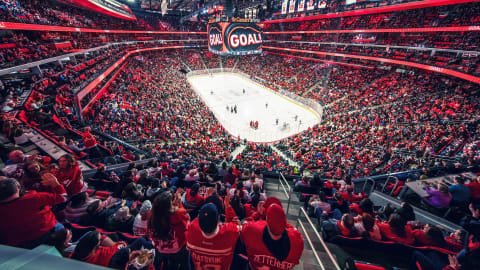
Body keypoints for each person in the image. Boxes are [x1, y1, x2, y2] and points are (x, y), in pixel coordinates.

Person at [0, 176, 67, 248]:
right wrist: (55, 184)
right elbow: (63, 198)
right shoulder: (34, 198)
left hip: (17, 245)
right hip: (48, 235)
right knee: (66, 230)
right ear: (18, 187)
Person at [241, 203, 304, 270]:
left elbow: (243, 224)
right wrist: (280, 220)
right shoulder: (297, 240)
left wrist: (258, 214)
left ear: (267, 221)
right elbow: (293, 230)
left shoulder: (253, 230)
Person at [186, 203, 240, 270]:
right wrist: (228, 208)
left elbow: (194, 222)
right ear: (218, 219)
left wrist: (205, 209)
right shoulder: (228, 233)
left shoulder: (192, 230)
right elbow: (236, 225)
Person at [148, 190, 190, 270]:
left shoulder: (152, 218)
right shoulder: (178, 215)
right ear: (170, 204)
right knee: (185, 264)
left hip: (161, 250)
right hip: (178, 250)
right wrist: (180, 204)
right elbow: (186, 227)